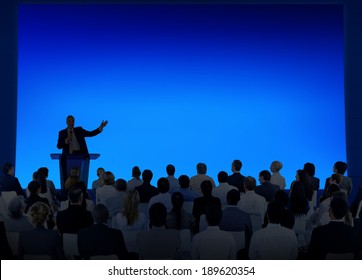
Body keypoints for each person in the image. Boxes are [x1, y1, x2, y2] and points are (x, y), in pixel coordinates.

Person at [56, 115, 108, 188]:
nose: (71, 122)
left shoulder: (79, 130)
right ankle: (66, 194)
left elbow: (90, 134)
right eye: (69, 121)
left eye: (73, 121)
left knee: (80, 178)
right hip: (67, 157)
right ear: (66, 122)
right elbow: (59, 146)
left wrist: (100, 127)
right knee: (67, 178)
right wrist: (66, 140)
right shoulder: (62, 132)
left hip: (80, 156)